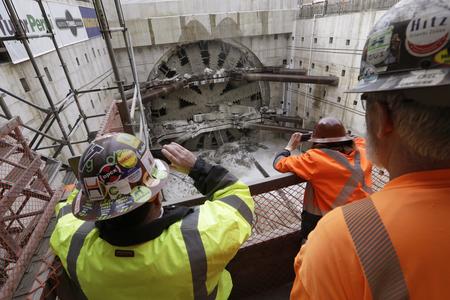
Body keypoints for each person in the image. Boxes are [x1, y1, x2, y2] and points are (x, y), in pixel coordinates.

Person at [291, 0, 450, 298]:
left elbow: (283, 165)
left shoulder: (339, 243)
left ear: (383, 118)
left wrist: (290, 149)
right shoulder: (360, 150)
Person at [50, 132, 254, 299]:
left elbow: (66, 210)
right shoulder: (201, 236)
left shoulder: (73, 243)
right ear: (153, 196)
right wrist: (197, 168)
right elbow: (238, 197)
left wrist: (94, 176)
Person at [273, 117, 372, 242]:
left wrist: (289, 148)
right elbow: (357, 139)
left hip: (333, 221)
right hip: (364, 216)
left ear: (318, 141)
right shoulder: (363, 151)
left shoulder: (315, 159)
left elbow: (279, 163)